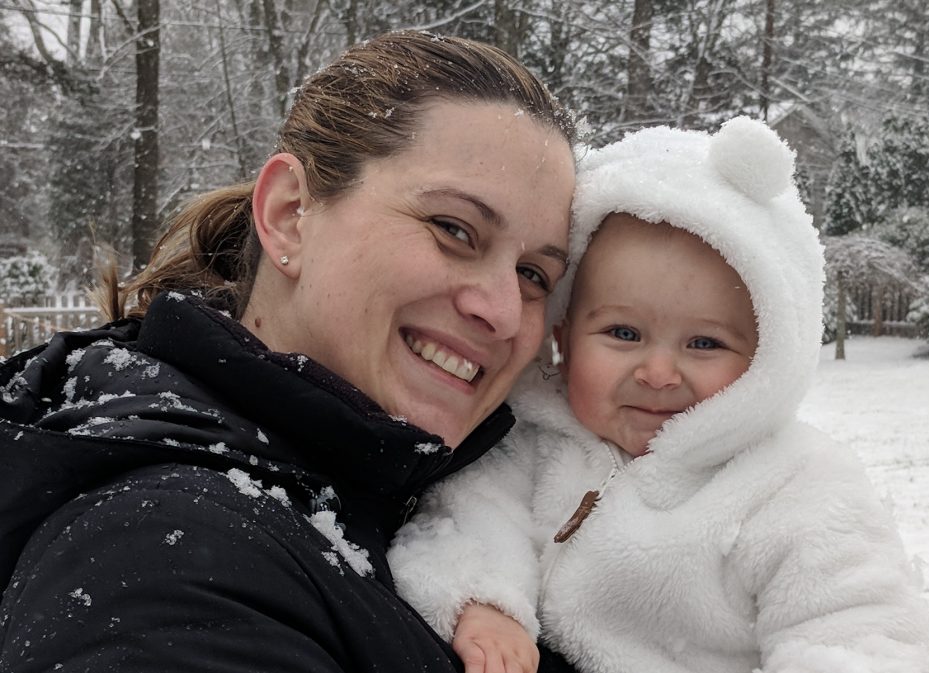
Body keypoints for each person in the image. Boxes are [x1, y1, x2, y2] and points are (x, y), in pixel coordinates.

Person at [0, 31, 581, 672]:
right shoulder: (167, 561)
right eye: (454, 230)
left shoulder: (486, 509)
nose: (499, 311)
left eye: (534, 275)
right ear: (289, 214)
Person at [388, 118, 929, 673]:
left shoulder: (794, 486)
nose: (657, 372)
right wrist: (484, 602)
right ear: (563, 339)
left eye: (704, 343)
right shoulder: (531, 440)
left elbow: (858, 635)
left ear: (767, 358)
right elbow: (469, 516)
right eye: (623, 334)